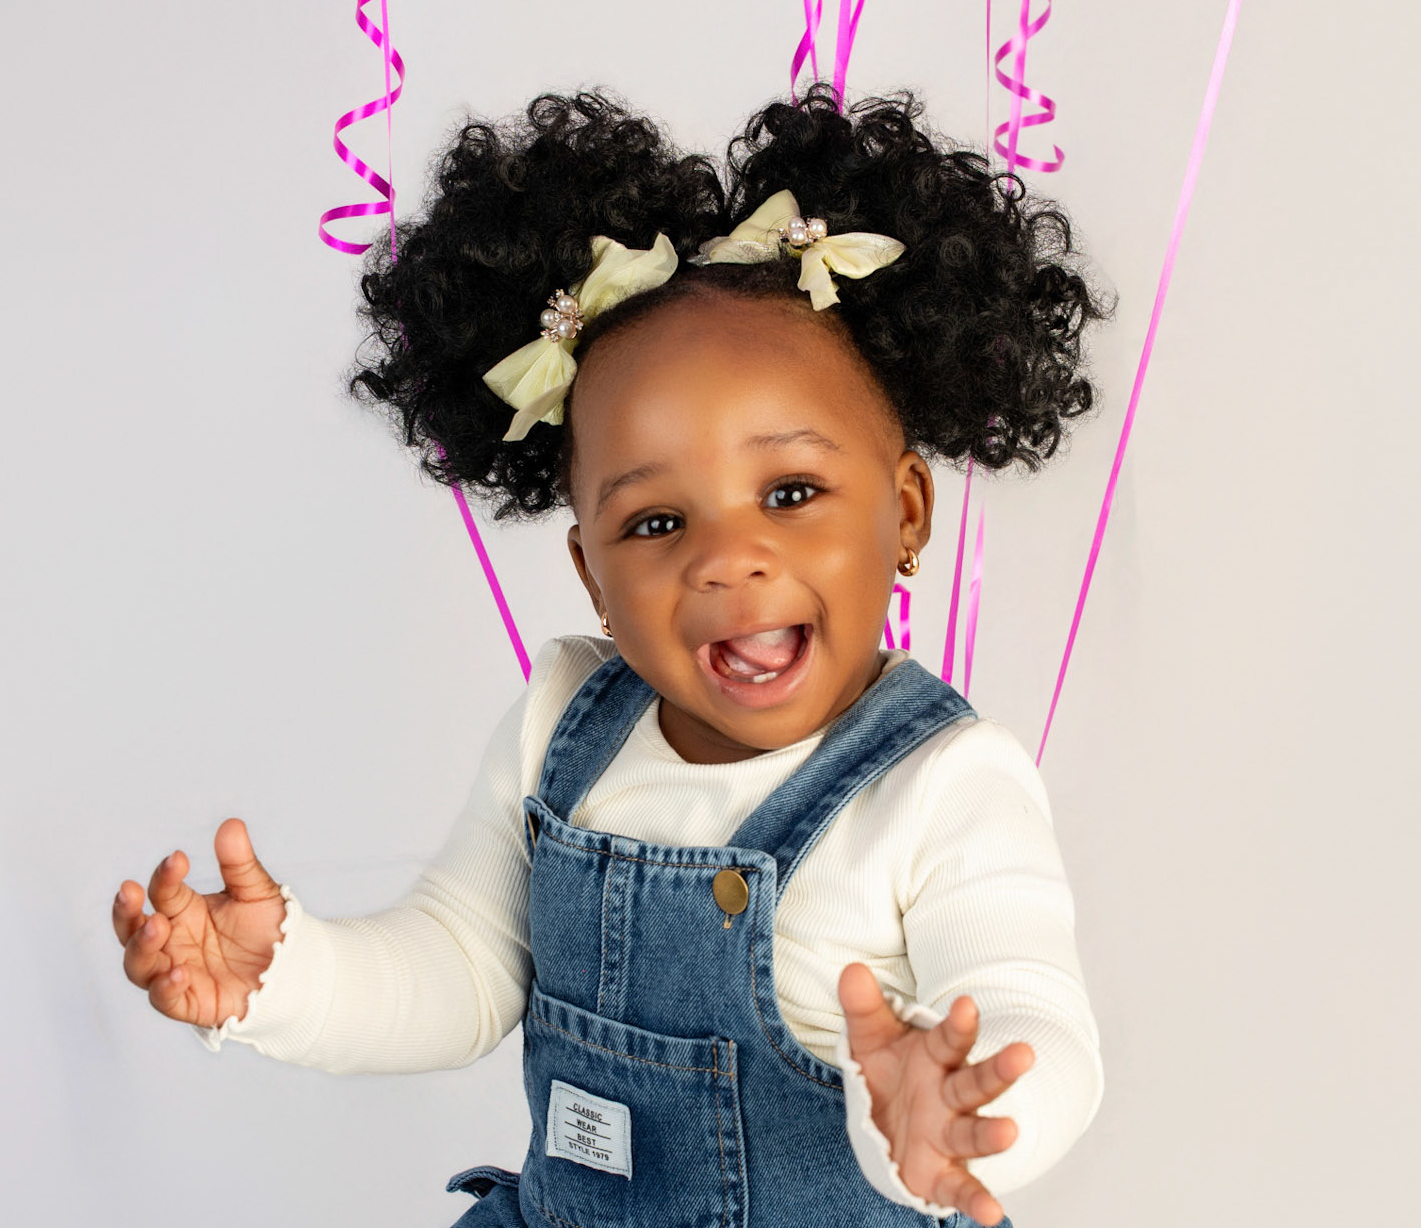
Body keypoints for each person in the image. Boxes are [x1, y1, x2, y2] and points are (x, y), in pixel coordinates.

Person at [112, 83, 1109, 1228]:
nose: (727, 558)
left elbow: (1036, 1011)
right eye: (656, 521)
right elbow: (460, 967)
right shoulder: (564, 721)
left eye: (791, 492)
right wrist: (283, 979)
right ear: (590, 569)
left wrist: (955, 1111)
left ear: (908, 513)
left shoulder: (942, 784)